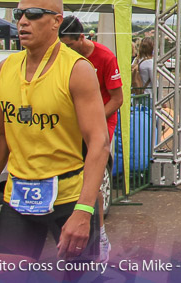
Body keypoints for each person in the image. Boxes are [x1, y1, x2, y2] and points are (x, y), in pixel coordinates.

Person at [0, 0, 111, 263]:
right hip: (18, 197)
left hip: (69, 197)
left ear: (56, 20)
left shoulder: (77, 70)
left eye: (33, 14)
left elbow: (99, 143)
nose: (22, 21)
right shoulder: (5, 68)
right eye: (19, 14)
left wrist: (84, 209)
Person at [58, 15, 123, 260]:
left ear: (82, 38)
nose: (65, 51)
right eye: (62, 46)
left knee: (90, 180)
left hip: (98, 125)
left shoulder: (105, 57)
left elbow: (117, 99)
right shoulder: (59, 58)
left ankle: (100, 234)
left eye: (69, 45)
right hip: (68, 127)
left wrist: (91, 120)